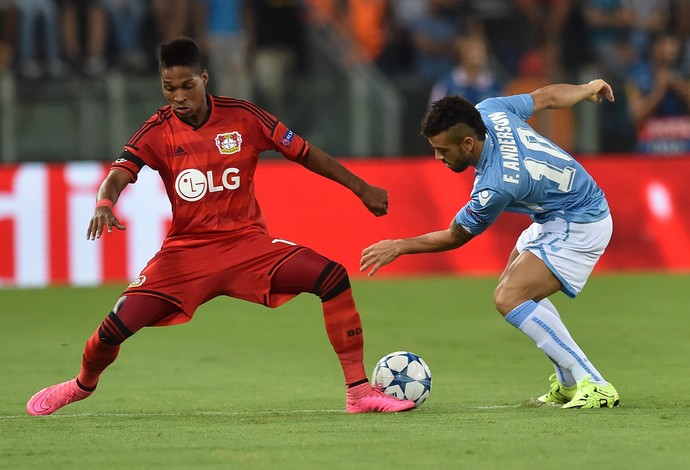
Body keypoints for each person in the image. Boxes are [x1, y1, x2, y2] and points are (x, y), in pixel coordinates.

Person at [26, 37, 415, 416]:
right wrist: (104, 202)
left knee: (331, 277)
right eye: (168, 87)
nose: (177, 96)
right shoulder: (157, 131)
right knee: (114, 327)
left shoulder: (243, 116)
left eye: (186, 86)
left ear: (204, 78)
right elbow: (119, 173)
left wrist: (360, 187)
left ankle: (359, 392)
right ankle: (80, 385)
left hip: (247, 247)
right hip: (185, 256)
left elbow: (305, 152)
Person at [360, 80, 621, 409]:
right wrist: (587, 88)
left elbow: (456, 236)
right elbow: (549, 97)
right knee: (520, 293)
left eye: (443, 150)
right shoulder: (490, 111)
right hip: (559, 213)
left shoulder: (495, 185)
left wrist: (399, 245)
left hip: (580, 221)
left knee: (510, 297)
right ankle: (569, 384)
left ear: (467, 143)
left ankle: (593, 382)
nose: (438, 157)